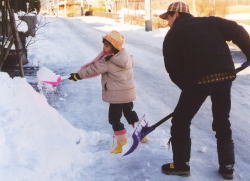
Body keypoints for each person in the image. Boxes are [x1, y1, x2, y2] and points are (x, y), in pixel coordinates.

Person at [160, 1, 250, 179]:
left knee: (180, 121)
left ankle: (180, 165)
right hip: (224, 76)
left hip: (197, 82)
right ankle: (227, 166)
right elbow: (238, 30)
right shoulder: (211, 22)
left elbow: (173, 68)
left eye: (168, 18)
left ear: (176, 14)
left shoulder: (172, 35)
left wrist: (188, 88)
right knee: (222, 120)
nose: (167, 22)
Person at [69, 30, 148, 154]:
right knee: (129, 112)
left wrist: (78, 76)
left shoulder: (109, 61)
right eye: (104, 45)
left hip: (116, 96)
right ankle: (142, 132)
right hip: (127, 93)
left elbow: (93, 69)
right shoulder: (126, 57)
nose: (104, 49)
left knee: (114, 119)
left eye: (106, 46)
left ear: (114, 47)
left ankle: (121, 142)